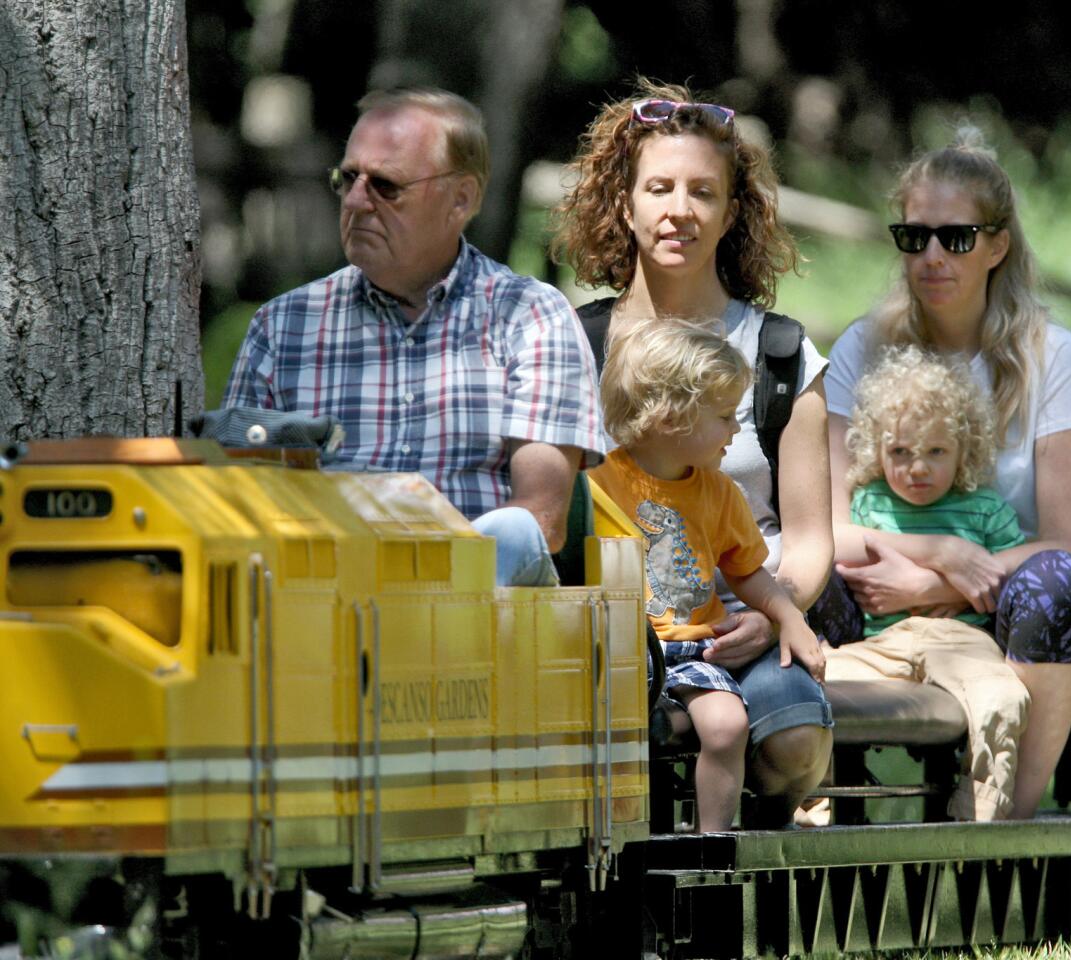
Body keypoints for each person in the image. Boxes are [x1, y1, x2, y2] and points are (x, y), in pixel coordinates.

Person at [550, 80, 833, 822]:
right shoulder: (572, 346)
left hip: (742, 615)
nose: (680, 209)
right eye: (660, 188)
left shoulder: (779, 353)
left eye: (703, 192)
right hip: (610, 631)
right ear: (626, 203)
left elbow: (807, 538)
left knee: (798, 741)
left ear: (732, 211)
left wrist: (774, 615)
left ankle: (759, 857)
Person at [824, 128, 1071, 820]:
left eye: (957, 237)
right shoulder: (863, 346)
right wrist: (939, 553)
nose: (934, 257)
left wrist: (944, 582)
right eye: (915, 238)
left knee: (1059, 586)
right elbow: (826, 526)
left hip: (1005, 609)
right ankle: (834, 809)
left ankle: (1006, 815)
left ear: (998, 245)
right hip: (877, 596)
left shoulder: (1049, 354)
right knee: (812, 579)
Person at [224, 89, 603, 587]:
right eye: (348, 179)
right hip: (317, 606)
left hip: (475, 613)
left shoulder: (529, 316)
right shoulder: (283, 326)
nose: (357, 201)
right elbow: (232, 508)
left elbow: (539, 523)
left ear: (461, 198)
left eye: (386, 185)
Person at [589, 323, 826, 831]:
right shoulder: (596, 484)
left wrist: (790, 619)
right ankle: (618, 839)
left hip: (696, 647)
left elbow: (748, 573)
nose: (735, 430)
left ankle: (711, 841)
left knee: (727, 725)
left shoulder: (719, 493)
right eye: (723, 417)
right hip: (625, 652)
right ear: (672, 418)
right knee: (615, 724)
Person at [825, 344, 1031, 821]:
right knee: (813, 689)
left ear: (966, 448)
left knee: (1002, 697)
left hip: (964, 641)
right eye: (900, 452)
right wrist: (941, 558)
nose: (917, 468)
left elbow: (1004, 575)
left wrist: (941, 585)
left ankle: (979, 817)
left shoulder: (984, 509)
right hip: (882, 641)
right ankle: (815, 809)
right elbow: (835, 544)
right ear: (876, 448)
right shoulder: (869, 504)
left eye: (936, 451)